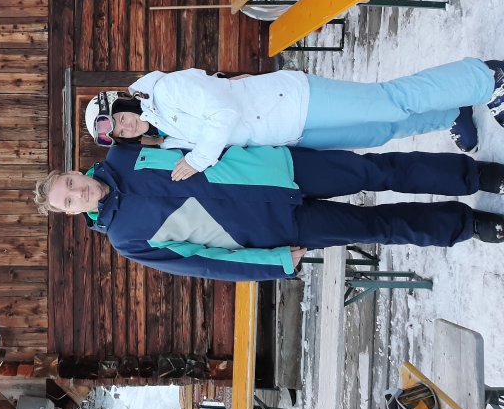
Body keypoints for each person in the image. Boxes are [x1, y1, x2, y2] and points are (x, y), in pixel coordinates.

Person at [34, 143, 504, 282]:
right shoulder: (126, 239)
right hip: (278, 228)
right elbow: (204, 263)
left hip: (279, 170)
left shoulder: (125, 153)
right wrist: (274, 262)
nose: (78, 193)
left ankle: (476, 177)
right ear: (72, 214)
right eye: (68, 201)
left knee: (376, 169)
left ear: (74, 171)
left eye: (69, 184)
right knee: (376, 226)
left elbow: (193, 129)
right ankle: (468, 224)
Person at [85, 59, 504, 182]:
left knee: (389, 101)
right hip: (291, 132)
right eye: (118, 133)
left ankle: (486, 77)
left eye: (119, 118)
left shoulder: (166, 91)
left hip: (295, 100)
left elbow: (224, 112)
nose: (125, 127)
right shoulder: (167, 135)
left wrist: (198, 159)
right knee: (381, 131)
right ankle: (452, 111)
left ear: (123, 103)